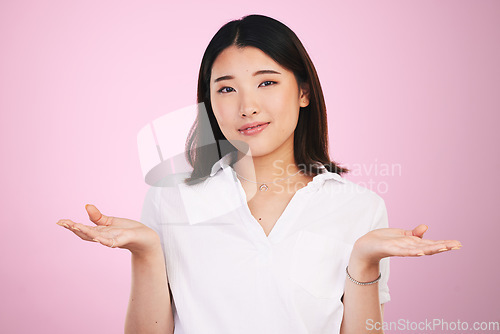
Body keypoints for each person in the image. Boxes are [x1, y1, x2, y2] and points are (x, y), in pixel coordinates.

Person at [57, 14, 462, 334]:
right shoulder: (171, 197)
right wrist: (145, 251)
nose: (246, 107)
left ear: (303, 92)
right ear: (209, 103)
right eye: (226, 89)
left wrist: (365, 263)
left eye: (266, 82)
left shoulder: (359, 207)